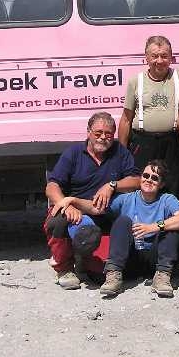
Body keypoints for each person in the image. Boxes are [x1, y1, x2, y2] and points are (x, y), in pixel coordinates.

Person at [44, 112, 141, 290]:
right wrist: (65, 204)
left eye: (108, 134)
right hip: (76, 213)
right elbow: (51, 186)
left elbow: (136, 180)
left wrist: (112, 185)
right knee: (58, 219)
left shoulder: (120, 152)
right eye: (98, 133)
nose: (103, 137)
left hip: (105, 213)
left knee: (100, 275)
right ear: (88, 132)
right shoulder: (73, 153)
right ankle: (64, 268)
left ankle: (84, 259)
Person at [98, 160, 179, 298]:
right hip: (131, 257)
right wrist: (72, 201)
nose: (149, 180)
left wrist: (153, 227)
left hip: (155, 258)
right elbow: (96, 207)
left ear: (161, 184)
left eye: (155, 178)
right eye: (146, 176)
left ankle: (162, 276)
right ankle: (113, 274)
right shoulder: (127, 198)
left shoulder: (167, 199)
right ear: (140, 178)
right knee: (123, 221)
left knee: (171, 228)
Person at [118, 36, 179, 202]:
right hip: (143, 142)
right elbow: (126, 119)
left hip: (172, 142)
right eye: (154, 56)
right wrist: (121, 153)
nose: (159, 61)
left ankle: (173, 218)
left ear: (171, 57)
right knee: (142, 185)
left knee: (173, 186)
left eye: (164, 56)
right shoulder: (135, 81)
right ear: (146, 57)